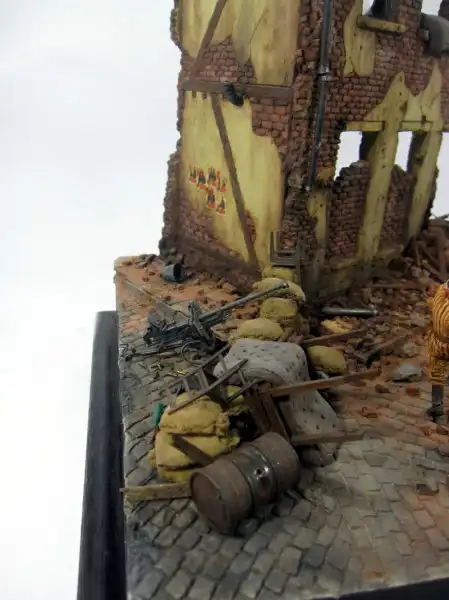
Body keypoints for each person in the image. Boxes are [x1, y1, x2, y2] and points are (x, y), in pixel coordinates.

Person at [427, 280, 449, 424]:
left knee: (438, 374)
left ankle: (438, 408)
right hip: (438, 342)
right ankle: (437, 408)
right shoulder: (441, 291)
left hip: (441, 341)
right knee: (436, 374)